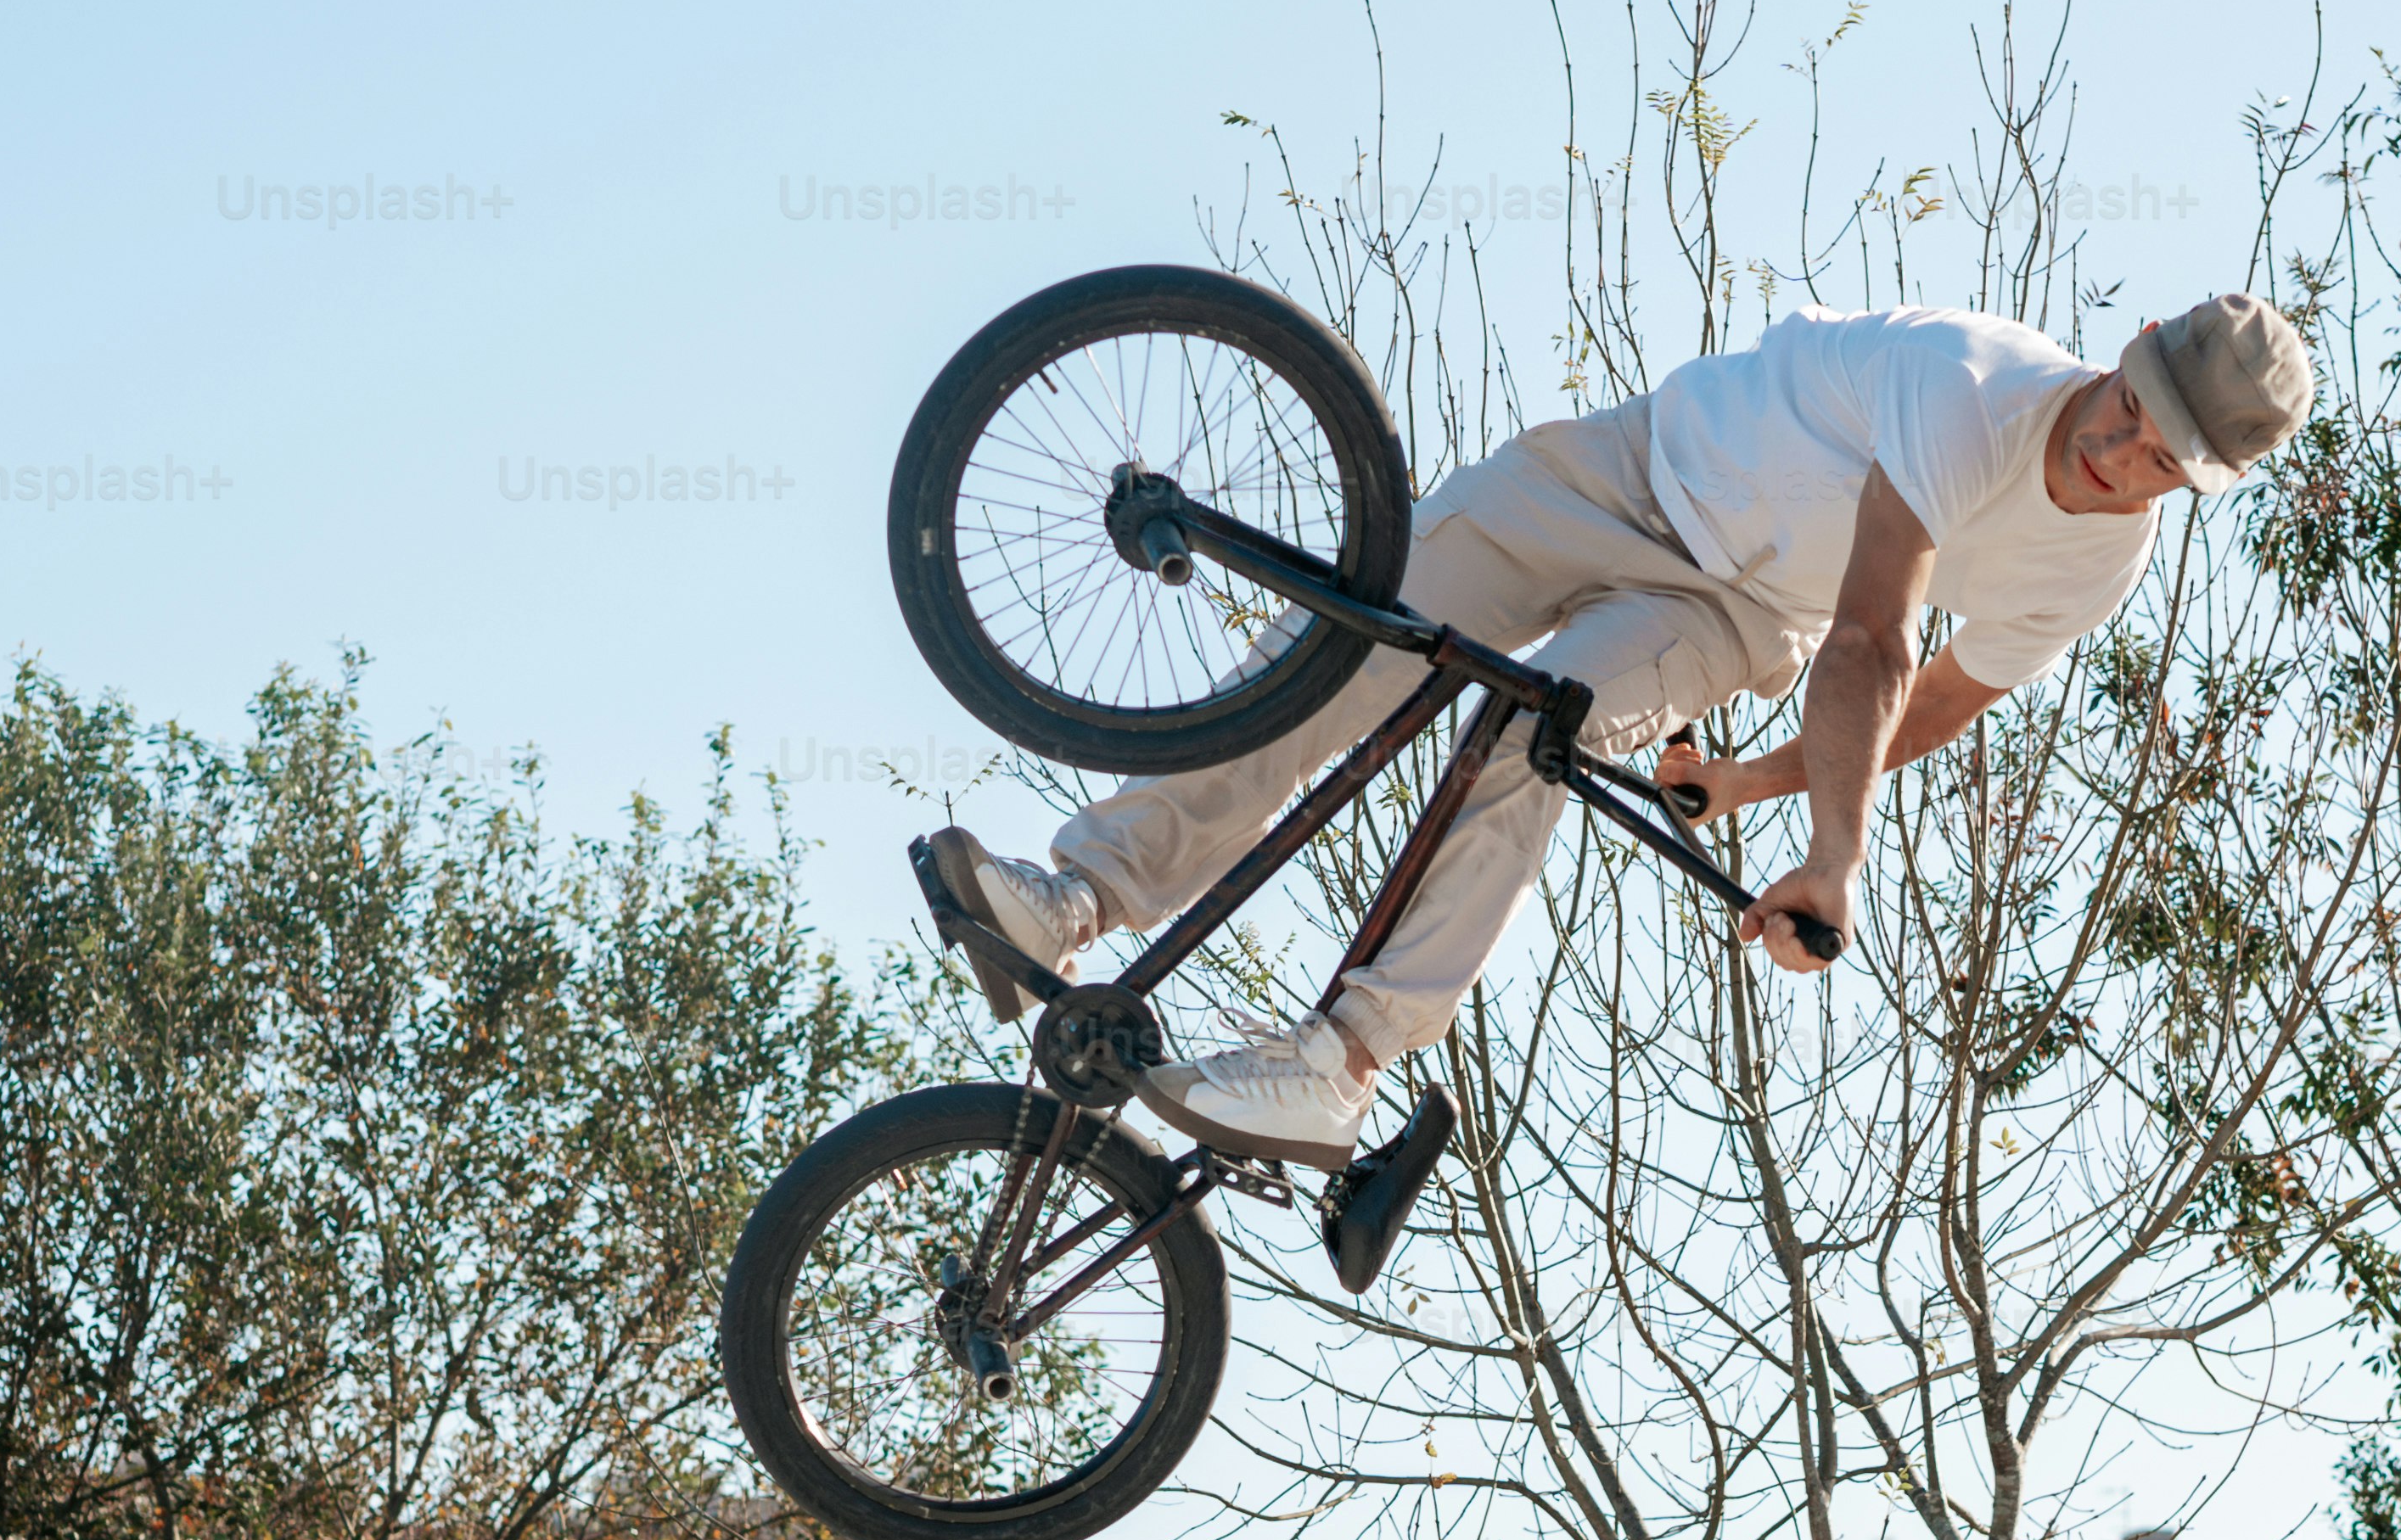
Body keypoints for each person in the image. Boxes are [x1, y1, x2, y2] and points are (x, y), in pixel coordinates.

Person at [919, 289, 2314, 1163]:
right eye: (2130, 412)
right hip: (1625, 468)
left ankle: (1336, 1068)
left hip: (1732, 613)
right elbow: (1883, 636)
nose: (2114, 455)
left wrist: (1768, 793)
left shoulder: (2095, 564)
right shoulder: (1969, 385)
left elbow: (1935, 693)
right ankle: (1073, 896)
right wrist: (1839, 855)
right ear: (2126, 353)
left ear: (2195, 487)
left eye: (2157, 466)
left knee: (1543, 731)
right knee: (1348, 645)